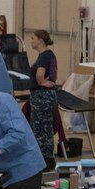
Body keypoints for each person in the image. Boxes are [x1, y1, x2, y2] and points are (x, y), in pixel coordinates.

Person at [27, 29, 58, 165]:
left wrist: (41, 82)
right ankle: (48, 158)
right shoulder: (48, 55)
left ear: (40, 40)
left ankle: (42, 160)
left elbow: (40, 75)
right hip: (47, 96)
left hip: (41, 96)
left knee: (39, 128)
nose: (31, 41)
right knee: (46, 128)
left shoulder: (44, 56)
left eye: (33, 38)